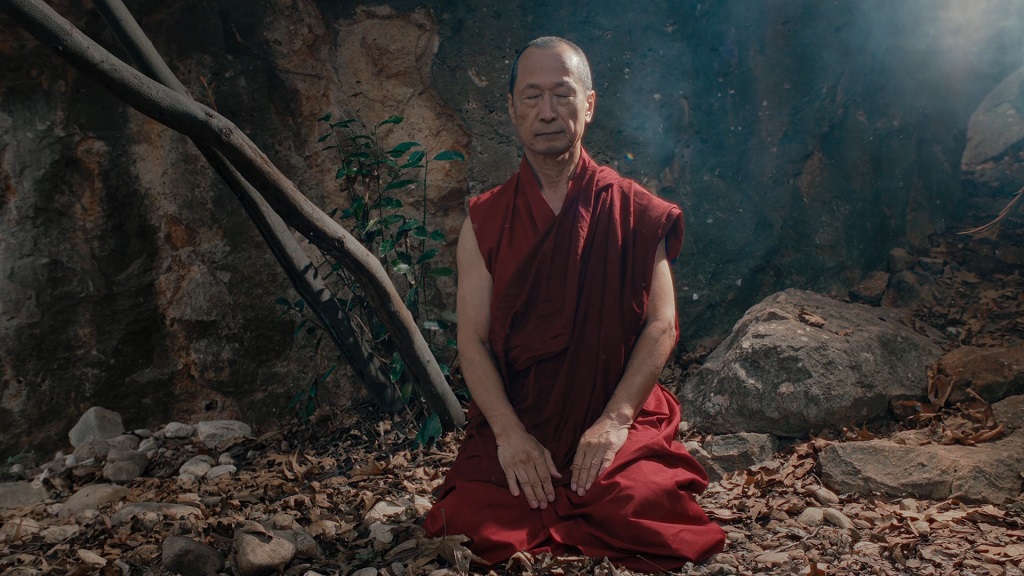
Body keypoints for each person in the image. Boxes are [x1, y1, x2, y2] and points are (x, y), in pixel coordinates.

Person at [423, 36, 725, 571]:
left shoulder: (633, 207)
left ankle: (600, 483)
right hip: (523, 413)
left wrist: (615, 420)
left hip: (610, 410)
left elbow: (661, 325)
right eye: (532, 96)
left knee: (646, 506)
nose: (547, 112)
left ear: (588, 103)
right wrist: (511, 435)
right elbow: (470, 340)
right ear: (513, 109)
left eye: (562, 94)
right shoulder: (486, 220)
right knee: (468, 520)